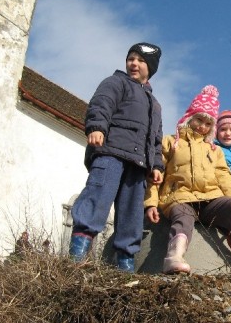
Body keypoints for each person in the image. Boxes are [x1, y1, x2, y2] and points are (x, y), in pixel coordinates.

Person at [144, 85, 231, 278]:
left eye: (208, 124)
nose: (202, 126)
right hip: (179, 197)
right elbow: (156, 175)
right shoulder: (171, 142)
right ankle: (174, 258)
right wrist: (150, 203)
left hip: (211, 200)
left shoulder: (214, 150)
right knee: (182, 217)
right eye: (199, 119)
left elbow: (225, 178)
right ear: (190, 117)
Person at [68, 42, 164, 273]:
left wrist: (157, 164)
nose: (134, 63)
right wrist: (97, 127)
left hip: (138, 165)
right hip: (110, 152)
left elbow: (156, 139)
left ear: (150, 68)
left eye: (141, 61)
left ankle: (125, 263)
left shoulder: (155, 104)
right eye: (131, 58)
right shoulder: (115, 82)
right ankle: (77, 256)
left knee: (132, 215)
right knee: (97, 198)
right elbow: (101, 105)